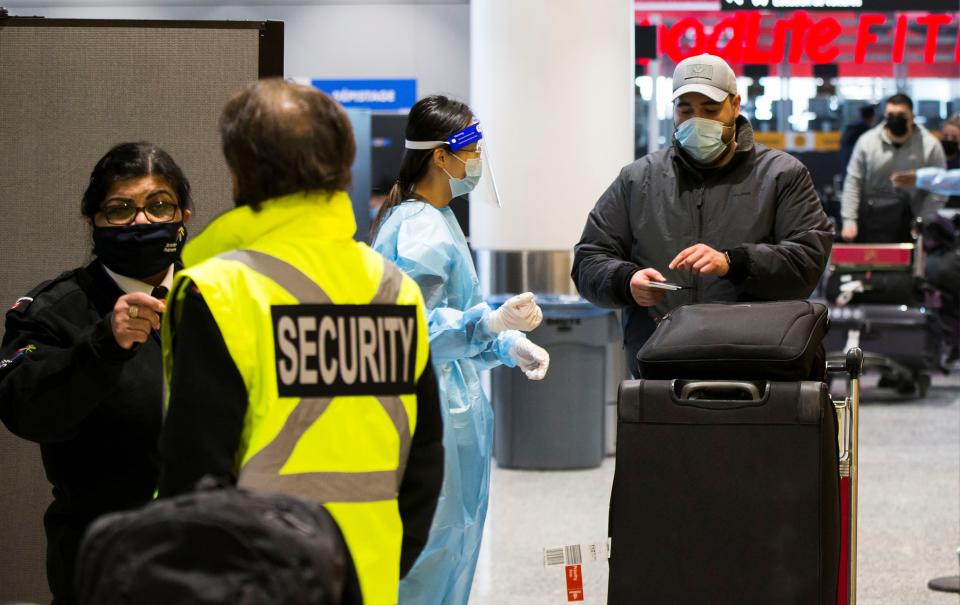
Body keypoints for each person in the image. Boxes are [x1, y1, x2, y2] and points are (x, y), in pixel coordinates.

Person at [156, 79, 443, 605]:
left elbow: (194, 476)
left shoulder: (220, 290)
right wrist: (384, 561)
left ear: (240, 173)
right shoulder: (391, 286)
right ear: (342, 168)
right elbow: (425, 455)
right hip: (371, 573)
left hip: (250, 583)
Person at [370, 95, 550, 605]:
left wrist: (507, 341)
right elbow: (412, 331)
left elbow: (459, 312)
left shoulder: (438, 217)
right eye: (469, 147)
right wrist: (488, 323)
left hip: (454, 407)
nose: (476, 159)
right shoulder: (420, 227)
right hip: (431, 415)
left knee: (453, 544)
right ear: (438, 156)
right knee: (431, 554)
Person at [0, 142, 192, 604]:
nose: (142, 221)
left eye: (158, 205)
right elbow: (25, 410)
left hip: (212, 562)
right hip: (103, 565)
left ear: (184, 216)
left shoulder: (220, 295)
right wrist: (105, 344)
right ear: (93, 221)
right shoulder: (54, 311)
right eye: (121, 209)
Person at [572, 53, 832, 377]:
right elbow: (588, 259)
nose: (697, 121)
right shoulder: (638, 179)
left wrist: (734, 262)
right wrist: (627, 281)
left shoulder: (782, 176)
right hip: (660, 369)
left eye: (710, 110)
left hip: (757, 368)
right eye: (686, 110)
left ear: (735, 106)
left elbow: (807, 259)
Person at [840, 93, 947, 242]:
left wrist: (924, 220)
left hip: (912, 224)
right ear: (884, 115)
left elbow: (939, 188)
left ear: (912, 117)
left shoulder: (930, 146)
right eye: (891, 114)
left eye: (901, 115)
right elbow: (853, 182)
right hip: (871, 222)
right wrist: (849, 220)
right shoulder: (866, 142)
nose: (895, 118)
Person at [840, 104, 876, 172]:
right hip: (859, 167)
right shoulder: (865, 131)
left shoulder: (851, 127)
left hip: (847, 165)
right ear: (872, 117)